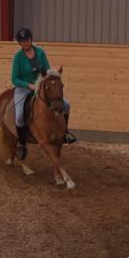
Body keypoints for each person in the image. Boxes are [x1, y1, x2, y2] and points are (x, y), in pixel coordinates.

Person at [11, 28, 76, 161]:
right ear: (19, 43)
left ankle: (65, 133)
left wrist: (49, 81)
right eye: (23, 41)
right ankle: (22, 144)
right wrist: (29, 85)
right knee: (18, 117)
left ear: (31, 39)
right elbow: (14, 79)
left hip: (41, 87)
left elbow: (47, 71)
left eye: (27, 39)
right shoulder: (18, 57)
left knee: (67, 105)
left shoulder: (40, 52)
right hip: (24, 89)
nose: (26, 42)